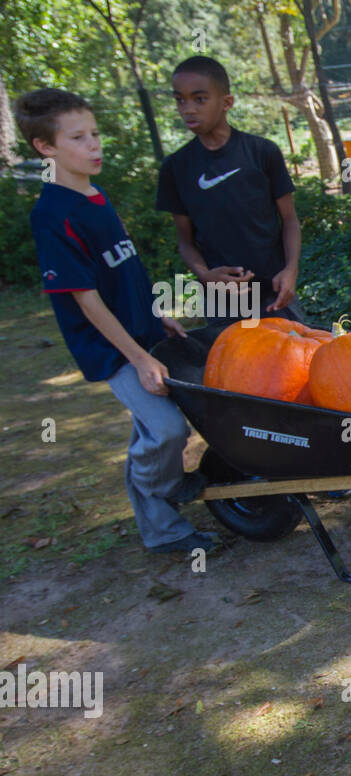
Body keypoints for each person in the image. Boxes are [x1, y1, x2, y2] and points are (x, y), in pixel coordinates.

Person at [16, 88, 214, 554]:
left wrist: (157, 314)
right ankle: (160, 496)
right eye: (79, 138)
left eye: (96, 134)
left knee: (153, 429)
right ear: (46, 148)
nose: (94, 146)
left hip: (143, 333)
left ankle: (160, 523)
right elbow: (86, 300)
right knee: (168, 431)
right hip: (111, 349)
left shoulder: (96, 196)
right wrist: (140, 358)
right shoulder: (51, 214)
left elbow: (125, 267)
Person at [156, 56, 304, 327]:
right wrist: (204, 275)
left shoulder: (263, 152)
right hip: (223, 303)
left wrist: (290, 270)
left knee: (294, 365)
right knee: (234, 368)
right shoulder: (175, 168)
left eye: (199, 99)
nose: (188, 109)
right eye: (180, 100)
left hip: (274, 293)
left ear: (227, 103)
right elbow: (185, 241)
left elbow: (290, 220)